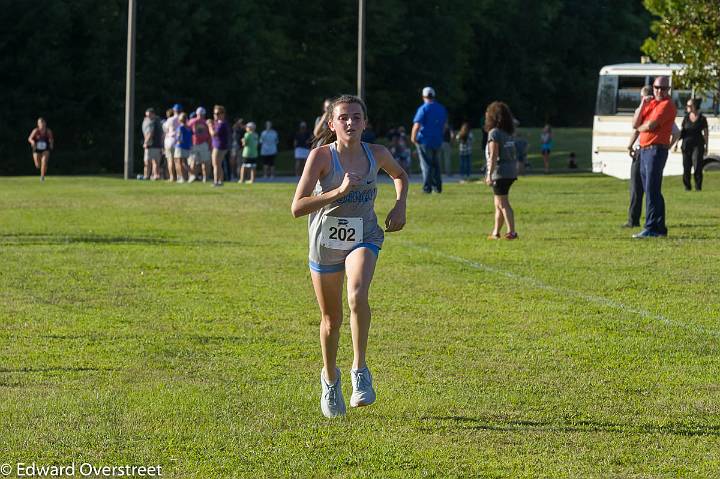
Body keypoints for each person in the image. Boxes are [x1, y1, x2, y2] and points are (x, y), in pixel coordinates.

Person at [291, 95, 408, 418]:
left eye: (356, 117)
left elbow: (400, 175)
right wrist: (337, 192)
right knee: (332, 320)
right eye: (343, 118)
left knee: (357, 295)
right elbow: (297, 208)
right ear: (331, 124)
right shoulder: (321, 157)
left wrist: (400, 204)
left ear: (365, 123)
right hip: (325, 243)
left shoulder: (378, 154)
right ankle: (330, 379)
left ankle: (360, 370)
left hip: (364, 236)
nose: (350, 123)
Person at [624, 85, 681, 228]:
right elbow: (635, 125)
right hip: (641, 150)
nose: (643, 99)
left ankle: (650, 224)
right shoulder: (644, 109)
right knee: (639, 187)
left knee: (648, 188)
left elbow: (644, 128)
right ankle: (636, 220)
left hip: (651, 151)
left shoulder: (662, 109)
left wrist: (668, 145)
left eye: (644, 97)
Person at [484, 101, 518, 240]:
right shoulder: (507, 133)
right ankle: (495, 232)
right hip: (510, 171)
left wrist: (489, 174)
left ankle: (512, 232)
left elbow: (493, 155)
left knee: (503, 203)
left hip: (500, 172)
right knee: (497, 203)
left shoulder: (494, 133)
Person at [411, 86, 448, 194]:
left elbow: (417, 125)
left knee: (426, 165)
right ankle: (438, 187)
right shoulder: (441, 108)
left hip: (424, 140)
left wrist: (413, 138)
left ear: (423, 96)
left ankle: (427, 188)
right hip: (437, 140)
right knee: (436, 164)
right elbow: (445, 126)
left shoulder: (423, 108)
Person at [678, 97, 709, 191]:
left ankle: (698, 187)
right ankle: (687, 186)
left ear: (695, 106)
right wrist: (675, 144)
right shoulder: (686, 118)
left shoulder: (702, 119)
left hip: (698, 145)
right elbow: (681, 132)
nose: (687, 107)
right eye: (687, 105)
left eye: (689, 105)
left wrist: (706, 146)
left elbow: (706, 133)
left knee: (697, 166)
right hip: (686, 145)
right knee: (686, 166)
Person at [208, 105, 230, 187]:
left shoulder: (222, 124)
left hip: (219, 146)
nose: (215, 115)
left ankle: (216, 181)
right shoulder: (219, 123)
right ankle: (220, 181)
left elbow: (213, 134)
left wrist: (210, 125)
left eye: (218, 113)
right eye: (214, 113)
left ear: (222, 114)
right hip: (219, 146)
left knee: (216, 164)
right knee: (218, 164)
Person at [188, 107, 211, 183]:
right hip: (195, 143)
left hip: (202, 143)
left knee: (204, 162)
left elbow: (209, 134)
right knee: (194, 161)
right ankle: (194, 176)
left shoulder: (205, 122)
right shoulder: (193, 122)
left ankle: (204, 177)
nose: (201, 116)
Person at [28, 117, 54, 182]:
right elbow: (29, 138)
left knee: (44, 161)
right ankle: (43, 168)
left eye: (42, 122)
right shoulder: (35, 131)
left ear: (45, 123)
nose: (41, 124)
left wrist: (51, 143)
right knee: (37, 165)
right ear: (38, 124)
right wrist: (32, 142)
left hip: (45, 148)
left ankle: (42, 177)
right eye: (40, 123)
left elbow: (51, 139)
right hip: (36, 148)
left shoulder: (48, 131)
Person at [141, 108, 163, 180]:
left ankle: (147, 175)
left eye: (149, 115)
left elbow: (150, 133)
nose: (148, 117)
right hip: (157, 145)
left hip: (151, 145)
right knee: (155, 162)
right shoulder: (158, 121)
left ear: (153, 114)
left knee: (148, 162)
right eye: (147, 116)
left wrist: (145, 142)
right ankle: (155, 176)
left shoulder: (152, 122)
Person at [163, 106, 181, 181]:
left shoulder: (169, 119)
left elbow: (165, 130)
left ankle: (172, 177)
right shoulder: (182, 118)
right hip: (177, 140)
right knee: (177, 160)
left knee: (170, 160)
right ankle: (179, 177)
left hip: (169, 140)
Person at [174, 113, 192, 183]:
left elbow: (179, 137)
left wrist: (178, 142)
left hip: (180, 146)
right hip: (187, 147)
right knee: (185, 162)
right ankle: (188, 176)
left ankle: (183, 177)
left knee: (179, 162)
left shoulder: (180, 127)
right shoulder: (188, 128)